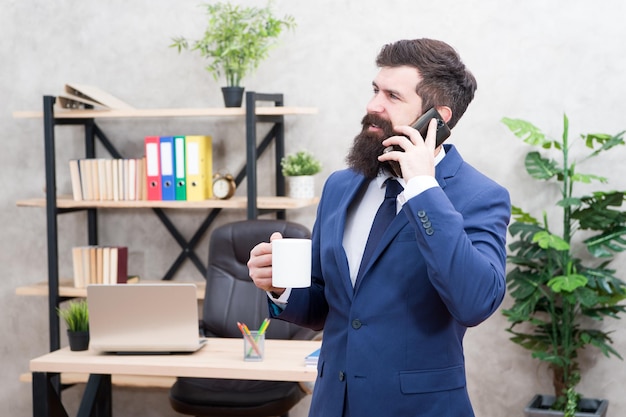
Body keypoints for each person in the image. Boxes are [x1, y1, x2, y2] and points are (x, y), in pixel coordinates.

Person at [247, 38, 510, 417]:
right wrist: (281, 287)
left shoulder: (480, 196)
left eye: (392, 96)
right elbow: (330, 306)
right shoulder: (341, 185)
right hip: (332, 405)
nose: (373, 106)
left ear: (438, 118)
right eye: (374, 90)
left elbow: (475, 303)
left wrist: (422, 187)